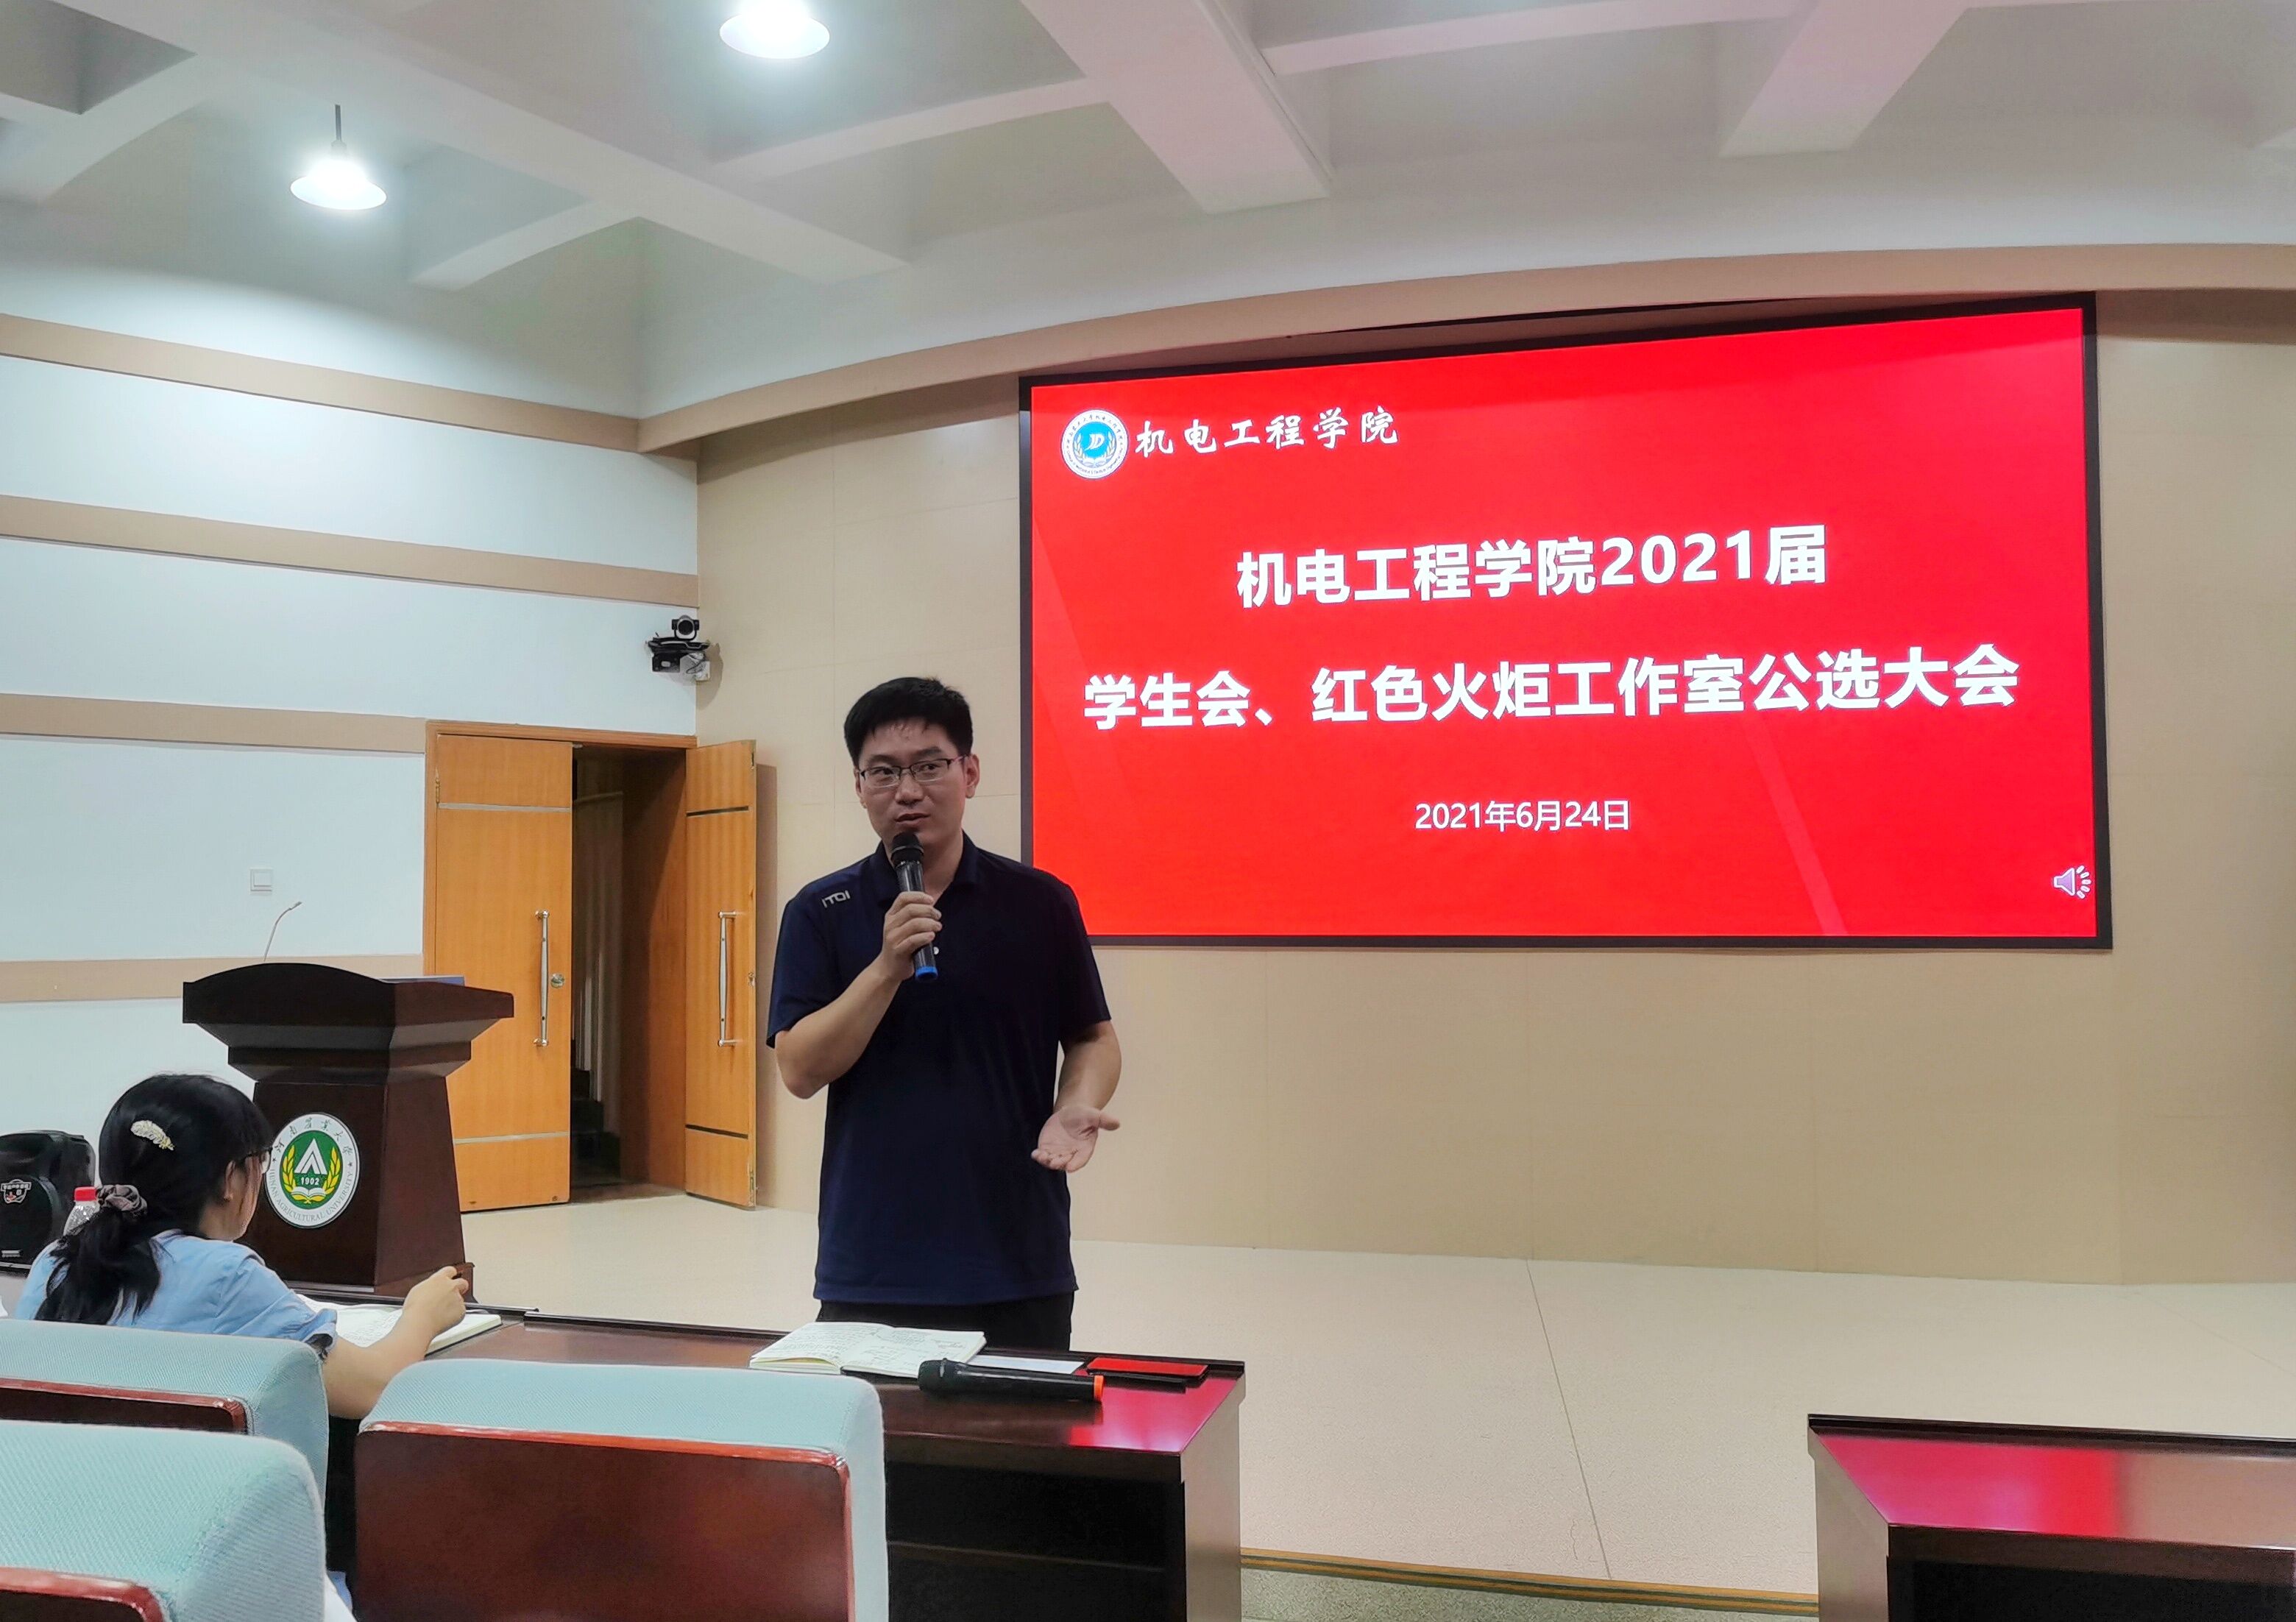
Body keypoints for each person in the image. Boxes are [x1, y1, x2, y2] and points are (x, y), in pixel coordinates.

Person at [770, 677, 1122, 1351]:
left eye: (929, 766)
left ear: (970, 773)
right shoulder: (820, 911)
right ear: (859, 787)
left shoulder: (1040, 902)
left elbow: (1092, 1037)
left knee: (1020, 1422)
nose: (907, 791)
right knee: (878, 1424)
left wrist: (1076, 1103)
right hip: (874, 1257)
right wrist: (884, 968)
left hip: (1017, 1251)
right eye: (883, 772)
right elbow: (799, 1070)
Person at [21, 1073, 467, 1418]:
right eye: (261, 1163)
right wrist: (422, 1315)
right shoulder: (225, 1275)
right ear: (230, 1180)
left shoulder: (56, 1263)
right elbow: (372, 1388)